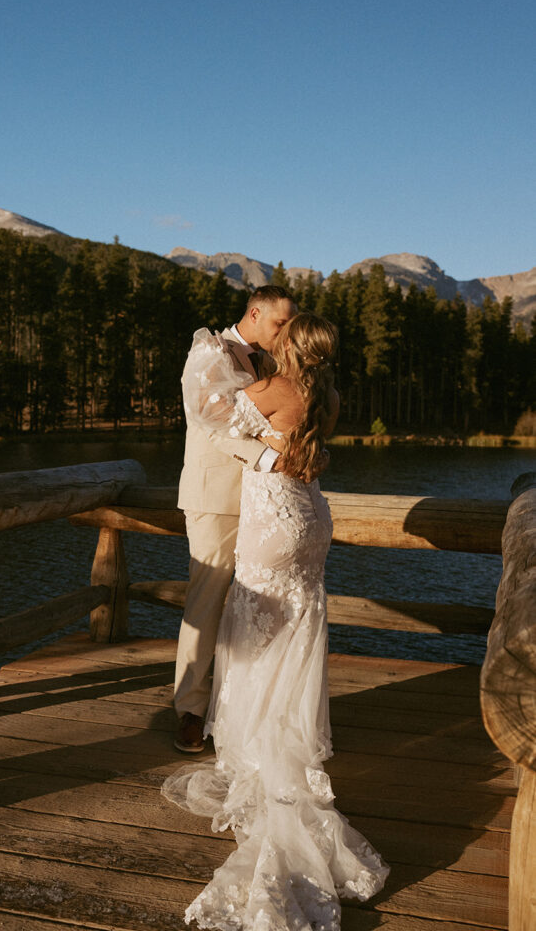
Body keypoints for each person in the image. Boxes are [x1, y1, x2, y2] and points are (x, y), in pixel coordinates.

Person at [163, 311, 389, 931]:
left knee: (251, 641)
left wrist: (208, 350)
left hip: (272, 522)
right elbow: (294, 447)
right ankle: (286, 748)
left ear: (288, 346)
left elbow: (210, 416)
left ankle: (258, 760)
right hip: (313, 519)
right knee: (296, 638)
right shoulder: (330, 394)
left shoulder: (264, 390)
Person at [174, 286, 297, 752]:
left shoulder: (268, 361)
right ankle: (189, 709)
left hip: (263, 502)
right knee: (205, 604)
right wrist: (267, 458)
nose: (284, 333)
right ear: (255, 312)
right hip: (216, 498)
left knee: (256, 606)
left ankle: (240, 707)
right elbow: (210, 418)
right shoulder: (210, 349)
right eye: (279, 324)